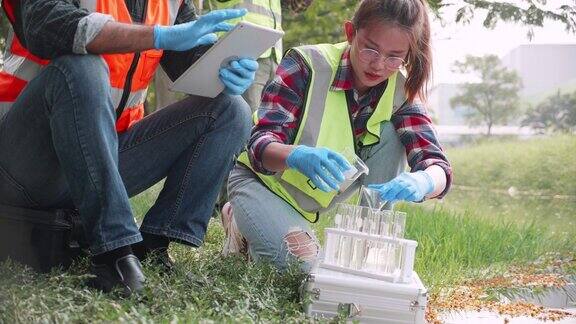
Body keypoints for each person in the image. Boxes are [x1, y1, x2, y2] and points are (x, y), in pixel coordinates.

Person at [0, 0, 258, 295]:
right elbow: (44, 25)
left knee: (231, 110)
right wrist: (157, 35)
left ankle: (154, 244)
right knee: (83, 66)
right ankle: (115, 251)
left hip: (96, 162)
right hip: (23, 164)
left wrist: (226, 69)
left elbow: (192, 60)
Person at [222, 0, 453, 272]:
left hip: (307, 205)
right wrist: (297, 155)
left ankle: (369, 247)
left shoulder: (400, 92)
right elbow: (259, 145)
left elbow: (436, 164)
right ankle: (236, 218)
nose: (378, 65)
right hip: (261, 184)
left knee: (392, 133)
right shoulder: (307, 64)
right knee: (305, 271)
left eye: (394, 57)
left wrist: (425, 180)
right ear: (350, 33)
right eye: (370, 49)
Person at [209, 0, 313, 111]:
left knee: (271, 118)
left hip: (273, 55)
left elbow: (297, 6)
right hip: (244, 54)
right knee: (248, 115)